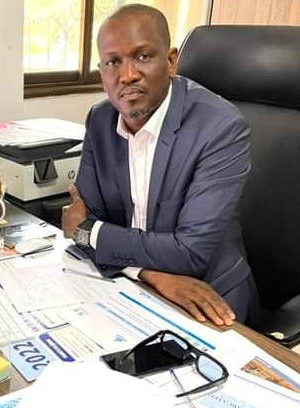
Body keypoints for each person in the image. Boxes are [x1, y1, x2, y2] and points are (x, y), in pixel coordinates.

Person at [62, 4, 260, 327]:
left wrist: (92, 232)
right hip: (136, 290)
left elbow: (190, 252)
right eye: (113, 62)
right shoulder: (100, 119)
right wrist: (150, 274)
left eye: (142, 56)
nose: (127, 75)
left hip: (211, 303)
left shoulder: (221, 127)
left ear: (170, 61)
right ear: (102, 73)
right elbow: (84, 227)